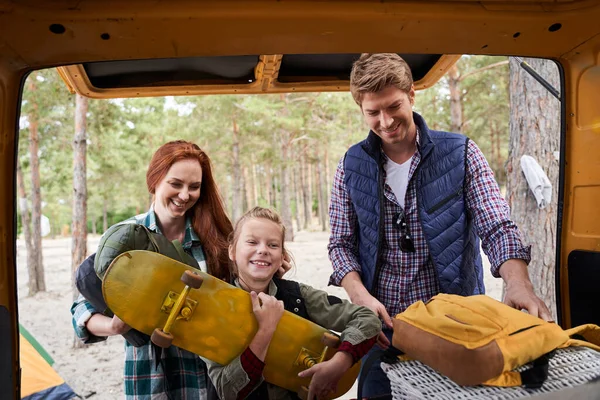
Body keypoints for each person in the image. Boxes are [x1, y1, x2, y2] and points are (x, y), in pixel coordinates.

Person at [327, 53, 553, 398]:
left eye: (393, 106)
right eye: (373, 112)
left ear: (412, 95)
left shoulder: (461, 153)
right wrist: (360, 297)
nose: (385, 122)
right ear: (361, 107)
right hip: (383, 330)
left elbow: (497, 226)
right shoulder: (350, 165)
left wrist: (518, 284)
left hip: (457, 330)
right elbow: (340, 244)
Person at [70, 140, 233, 399]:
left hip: (208, 378)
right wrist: (113, 327)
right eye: (176, 184)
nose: (184, 195)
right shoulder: (125, 236)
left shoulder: (214, 237)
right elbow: (81, 310)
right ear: (155, 180)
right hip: (149, 377)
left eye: (194, 187)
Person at [204, 207, 381, 400]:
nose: (262, 250)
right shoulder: (214, 308)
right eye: (252, 242)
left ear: (282, 256)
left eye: (272, 245)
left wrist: (340, 361)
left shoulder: (298, 296)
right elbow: (226, 391)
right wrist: (265, 331)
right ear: (232, 250)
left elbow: (367, 318)